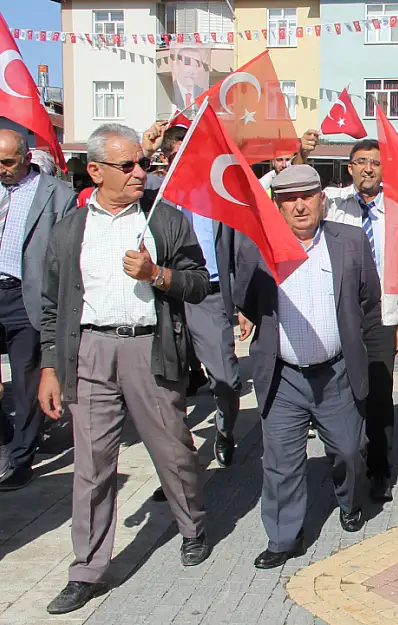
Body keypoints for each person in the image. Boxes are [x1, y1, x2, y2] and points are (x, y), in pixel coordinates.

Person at [40, 124, 211, 614]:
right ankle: (88, 569)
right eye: (127, 166)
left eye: (142, 163)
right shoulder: (70, 229)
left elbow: (200, 284)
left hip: (149, 350)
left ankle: (192, 526)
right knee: (92, 468)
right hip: (89, 350)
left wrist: (157, 275)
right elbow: (54, 304)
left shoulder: (164, 220)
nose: (141, 172)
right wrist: (52, 368)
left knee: (173, 451)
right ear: (94, 171)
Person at [234, 165, 379, 569]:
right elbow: (243, 297)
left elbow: (368, 298)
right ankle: (283, 537)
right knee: (280, 461)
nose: (299, 206)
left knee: (349, 451)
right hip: (284, 375)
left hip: (335, 372)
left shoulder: (349, 242)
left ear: (322, 199)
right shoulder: (257, 246)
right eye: (288, 199)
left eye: (306, 197)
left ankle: (349, 502)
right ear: (277, 206)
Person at [144, 121, 244, 467]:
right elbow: (123, 184)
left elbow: (240, 249)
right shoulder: (155, 193)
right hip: (165, 293)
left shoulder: (221, 191)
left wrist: (244, 303)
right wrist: (147, 151)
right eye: (175, 156)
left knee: (227, 380)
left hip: (209, 296)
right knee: (167, 385)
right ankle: (177, 461)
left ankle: (226, 429)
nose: (183, 162)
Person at [322, 139, 398, 502]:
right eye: (361, 162)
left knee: (379, 395)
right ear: (350, 168)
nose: (368, 169)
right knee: (341, 393)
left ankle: (380, 469)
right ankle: (347, 465)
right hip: (341, 312)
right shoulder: (332, 207)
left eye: (375, 163)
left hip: (382, 314)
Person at [0, 130, 76, 491]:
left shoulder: (56, 194)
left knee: (25, 379)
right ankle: (5, 437)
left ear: (26, 158)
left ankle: (21, 458)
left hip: (25, 298)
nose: (1, 169)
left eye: (8, 162)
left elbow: (66, 253)